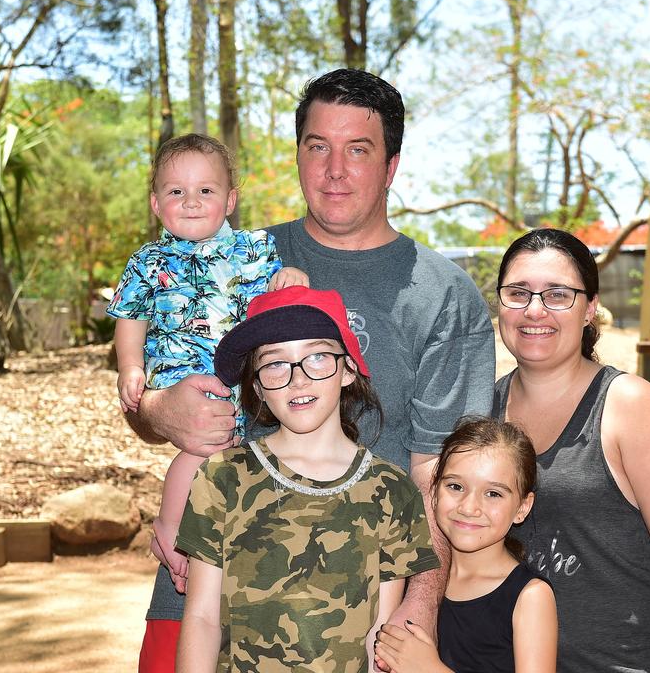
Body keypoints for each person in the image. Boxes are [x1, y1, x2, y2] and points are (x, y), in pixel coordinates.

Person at [126, 69, 496, 673]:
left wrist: (416, 610)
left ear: (392, 166)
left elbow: (442, 471)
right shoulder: (229, 257)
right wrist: (159, 410)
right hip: (200, 592)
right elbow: (148, 388)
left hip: (356, 613)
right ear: (298, 155)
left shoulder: (443, 296)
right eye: (317, 146)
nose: (334, 169)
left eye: (359, 149)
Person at [175, 285, 441, 672]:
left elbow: (379, 634)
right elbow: (201, 619)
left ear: (349, 369)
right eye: (276, 363)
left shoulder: (392, 489)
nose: (298, 378)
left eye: (317, 357)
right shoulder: (223, 476)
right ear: (257, 388)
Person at [490, 228, 650, 673]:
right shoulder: (483, 409)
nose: (535, 310)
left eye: (558, 295)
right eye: (518, 293)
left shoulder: (628, 403)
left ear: (589, 308)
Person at [107, 133, 307, 593]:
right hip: (184, 372)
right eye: (176, 192)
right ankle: (170, 529)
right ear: (156, 203)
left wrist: (292, 278)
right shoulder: (147, 262)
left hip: (243, 378)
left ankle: (211, 544)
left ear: (230, 200)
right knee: (199, 451)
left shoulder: (254, 250)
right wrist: (131, 368)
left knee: (226, 456)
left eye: (206, 191)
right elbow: (129, 318)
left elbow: (281, 295)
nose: (191, 202)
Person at [375, 416, 558, 673]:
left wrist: (429, 668)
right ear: (435, 492)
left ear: (523, 507)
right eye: (455, 486)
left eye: (493, 493)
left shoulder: (530, 597)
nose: (469, 507)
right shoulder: (413, 583)